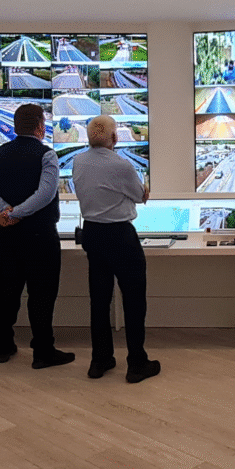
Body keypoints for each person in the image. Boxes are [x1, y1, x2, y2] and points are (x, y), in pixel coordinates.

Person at [0, 104, 75, 369]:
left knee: (8, 291)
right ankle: (43, 352)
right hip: (40, 236)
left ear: (15, 126)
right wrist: (17, 212)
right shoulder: (47, 155)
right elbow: (45, 194)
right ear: (41, 127)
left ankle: (3, 347)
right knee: (41, 295)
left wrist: (4, 211)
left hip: (7, 237)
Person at [72, 115, 160, 383]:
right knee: (134, 301)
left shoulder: (78, 161)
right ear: (114, 137)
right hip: (120, 236)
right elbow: (140, 196)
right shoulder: (121, 165)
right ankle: (136, 364)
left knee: (99, 301)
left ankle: (99, 361)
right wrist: (142, 191)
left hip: (92, 233)